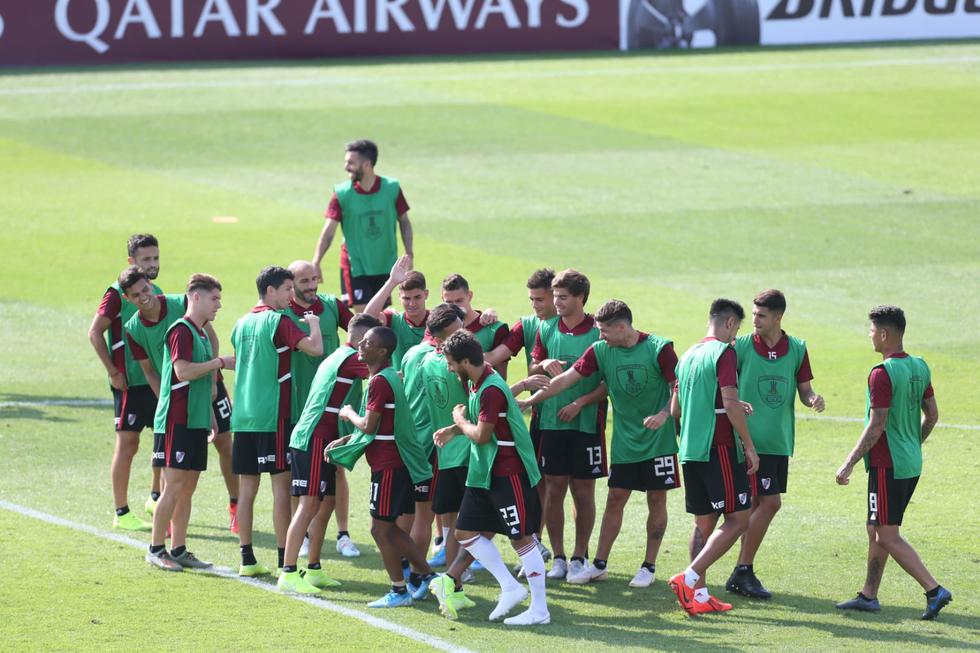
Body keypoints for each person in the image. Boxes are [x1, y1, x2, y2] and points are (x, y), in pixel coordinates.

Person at [521, 299, 678, 588]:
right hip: (625, 440)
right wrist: (529, 402)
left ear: (622, 328)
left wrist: (664, 414)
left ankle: (648, 566)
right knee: (615, 497)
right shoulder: (600, 350)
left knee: (657, 498)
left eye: (604, 330)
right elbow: (565, 380)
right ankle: (599, 564)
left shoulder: (660, 348)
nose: (600, 335)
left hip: (659, 440)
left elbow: (678, 388)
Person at [834, 305, 951, 620]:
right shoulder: (919, 366)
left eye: (872, 330)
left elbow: (877, 425)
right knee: (875, 527)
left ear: (884, 334)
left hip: (888, 465)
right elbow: (932, 415)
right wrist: (913, 442)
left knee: (887, 534)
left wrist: (849, 463)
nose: (869, 335)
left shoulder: (881, 373)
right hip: (910, 462)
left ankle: (934, 590)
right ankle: (869, 595)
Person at [432, 330, 549, 626]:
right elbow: (486, 419)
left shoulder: (490, 389)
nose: (449, 368)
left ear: (465, 362)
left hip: (507, 474)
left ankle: (540, 610)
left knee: (521, 538)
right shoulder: (478, 382)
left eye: (451, 363)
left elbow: (483, 435)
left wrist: (459, 421)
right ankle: (510, 587)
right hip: (484, 473)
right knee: (465, 532)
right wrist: (455, 429)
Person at [121, 266, 239, 533]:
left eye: (145, 289)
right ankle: (164, 535)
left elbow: (210, 340)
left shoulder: (181, 305)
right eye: (135, 295)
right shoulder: (137, 328)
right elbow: (154, 371)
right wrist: (167, 401)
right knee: (174, 474)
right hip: (181, 399)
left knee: (224, 445)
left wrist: (212, 384)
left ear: (151, 285)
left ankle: (235, 506)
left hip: (206, 385)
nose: (143, 296)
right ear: (127, 299)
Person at [326, 326, 436, 608]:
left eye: (368, 342)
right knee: (389, 529)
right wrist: (346, 440)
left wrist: (349, 413)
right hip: (395, 463)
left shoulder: (379, 382)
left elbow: (369, 425)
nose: (361, 345)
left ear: (382, 351)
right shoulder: (386, 377)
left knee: (380, 529)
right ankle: (427, 576)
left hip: (388, 466)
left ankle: (400, 589)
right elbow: (382, 425)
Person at [728, 289, 825, 599]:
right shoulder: (741, 346)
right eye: (754, 314)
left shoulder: (797, 348)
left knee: (758, 505)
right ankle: (743, 569)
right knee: (768, 504)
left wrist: (813, 398)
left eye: (761, 315)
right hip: (747, 441)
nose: (754, 320)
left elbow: (804, 389)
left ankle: (741, 571)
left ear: (778, 317)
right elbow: (725, 385)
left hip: (777, 441)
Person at [668, 298, 760, 616]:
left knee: (704, 522)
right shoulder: (724, 352)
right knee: (738, 519)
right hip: (718, 447)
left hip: (690, 449)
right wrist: (749, 445)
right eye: (736, 329)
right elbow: (730, 404)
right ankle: (688, 578)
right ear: (730, 323)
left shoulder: (688, 355)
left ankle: (700, 595)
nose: (735, 337)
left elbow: (675, 409)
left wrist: (723, 404)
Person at [231, 266, 324, 576]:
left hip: (244, 417)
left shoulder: (241, 323)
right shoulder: (279, 321)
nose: (291, 295)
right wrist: (314, 324)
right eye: (286, 289)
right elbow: (315, 349)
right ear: (270, 291)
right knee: (281, 488)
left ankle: (247, 559)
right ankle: (286, 560)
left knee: (247, 490)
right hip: (273, 416)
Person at [278, 313, 380, 594]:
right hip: (313, 438)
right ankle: (288, 571)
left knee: (327, 503)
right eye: (373, 342)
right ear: (362, 341)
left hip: (322, 439)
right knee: (308, 505)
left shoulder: (338, 354)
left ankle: (313, 568)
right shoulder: (352, 359)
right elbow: (384, 376)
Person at [145, 274, 234, 571]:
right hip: (177, 420)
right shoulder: (181, 331)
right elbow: (182, 372)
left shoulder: (201, 334)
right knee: (173, 486)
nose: (218, 305)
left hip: (195, 419)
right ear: (196, 297)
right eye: (214, 298)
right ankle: (156, 549)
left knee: (187, 488)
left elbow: (202, 382)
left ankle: (179, 548)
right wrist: (220, 363)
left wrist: (209, 414)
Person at [527, 269, 607, 580]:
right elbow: (534, 368)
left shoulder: (599, 332)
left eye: (562, 297)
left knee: (584, 491)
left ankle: (579, 556)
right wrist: (543, 364)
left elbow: (607, 382)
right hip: (551, 422)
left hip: (587, 423)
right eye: (555, 296)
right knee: (553, 488)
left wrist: (580, 403)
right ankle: (558, 557)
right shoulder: (546, 328)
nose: (556, 302)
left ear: (580, 298)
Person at [284, 260, 359, 557]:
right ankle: (302, 538)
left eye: (314, 279)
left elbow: (360, 328)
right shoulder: (283, 313)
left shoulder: (332, 306)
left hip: (335, 409)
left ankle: (343, 534)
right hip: (300, 408)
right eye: (304, 281)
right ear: (291, 284)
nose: (311, 285)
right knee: (298, 478)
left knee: (337, 468)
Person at [87, 234, 162, 531]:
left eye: (155, 258)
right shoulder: (118, 293)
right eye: (146, 259)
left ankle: (156, 497)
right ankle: (122, 512)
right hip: (129, 384)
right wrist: (113, 371)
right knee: (128, 445)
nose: (152, 264)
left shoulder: (155, 292)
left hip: (155, 379)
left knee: (164, 440)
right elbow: (95, 332)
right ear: (132, 261)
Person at [485, 269, 557, 553]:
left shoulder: (579, 326)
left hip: (578, 417)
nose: (535, 305)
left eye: (540, 299)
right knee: (539, 482)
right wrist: (481, 318)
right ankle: (537, 542)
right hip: (541, 416)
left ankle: (576, 556)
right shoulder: (527, 325)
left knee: (579, 490)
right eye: (531, 299)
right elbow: (494, 356)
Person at [312, 139, 413, 310]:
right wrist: (316, 261)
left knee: (381, 317)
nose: (346, 167)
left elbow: (404, 221)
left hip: (385, 264)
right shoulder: (342, 194)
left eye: (351, 163)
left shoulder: (391, 188)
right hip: (355, 266)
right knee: (364, 317)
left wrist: (409, 253)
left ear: (367, 164)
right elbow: (328, 232)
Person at [363, 255, 430, 370]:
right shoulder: (394, 320)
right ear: (399, 297)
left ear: (426, 294)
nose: (412, 304)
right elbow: (367, 318)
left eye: (417, 297)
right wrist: (392, 281)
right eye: (406, 298)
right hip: (397, 382)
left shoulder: (435, 320)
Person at [440, 273, 509, 377]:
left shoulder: (494, 329)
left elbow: (501, 377)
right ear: (442, 299)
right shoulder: (439, 327)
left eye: (459, 301)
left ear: (470, 295)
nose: (455, 307)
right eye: (449, 302)